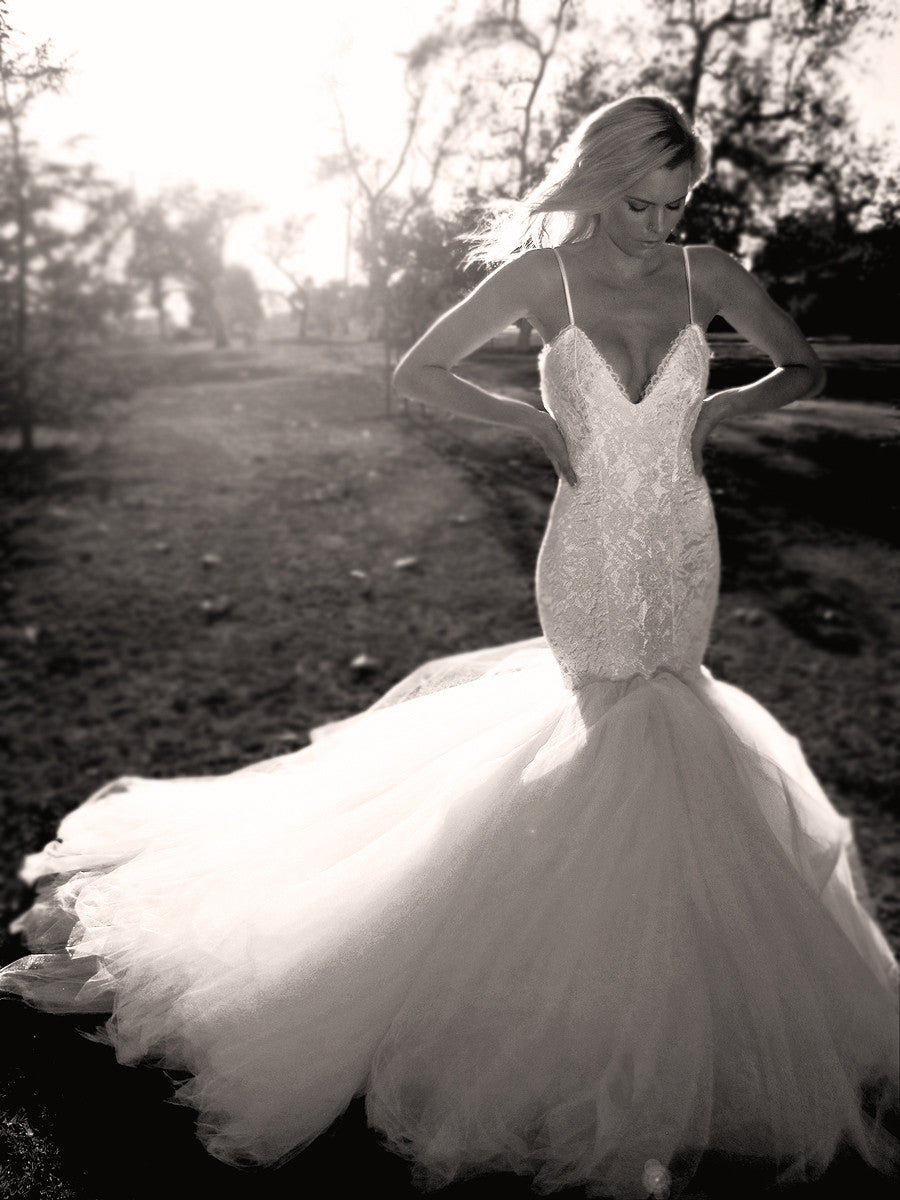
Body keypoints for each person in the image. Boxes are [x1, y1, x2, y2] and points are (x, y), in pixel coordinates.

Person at [1, 94, 897, 1199]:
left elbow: (803, 367)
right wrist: (529, 422)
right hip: (584, 551)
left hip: (682, 542)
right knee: (615, 728)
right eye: (637, 203)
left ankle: (664, 992)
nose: (656, 226)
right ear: (596, 180)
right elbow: (418, 372)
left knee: (674, 720)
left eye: (677, 206)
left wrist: (718, 414)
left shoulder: (708, 273)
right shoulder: (543, 278)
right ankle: (573, 999)